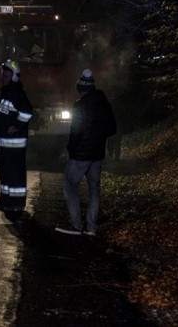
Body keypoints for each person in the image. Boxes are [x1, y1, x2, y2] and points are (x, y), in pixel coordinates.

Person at [55, 69, 117, 236]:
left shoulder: (80, 106)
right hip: (97, 154)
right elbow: (112, 128)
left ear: (81, 89)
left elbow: (75, 132)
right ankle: (91, 227)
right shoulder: (104, 104)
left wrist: (71, 148)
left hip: (81, 154)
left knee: (69, 185)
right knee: (94, 190)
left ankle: (76, 225)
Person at [0, 59, 34, 214]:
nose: (3, 77)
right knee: (5, 172)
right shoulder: (7, 91)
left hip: (15, 144)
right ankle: (5, 201)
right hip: (7, 144)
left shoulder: (16, 92)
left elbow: (27, 112)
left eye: (7, 75)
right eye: (3, 75)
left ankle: (16, 203)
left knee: (15, 174)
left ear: (14, 76)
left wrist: (16, 126)